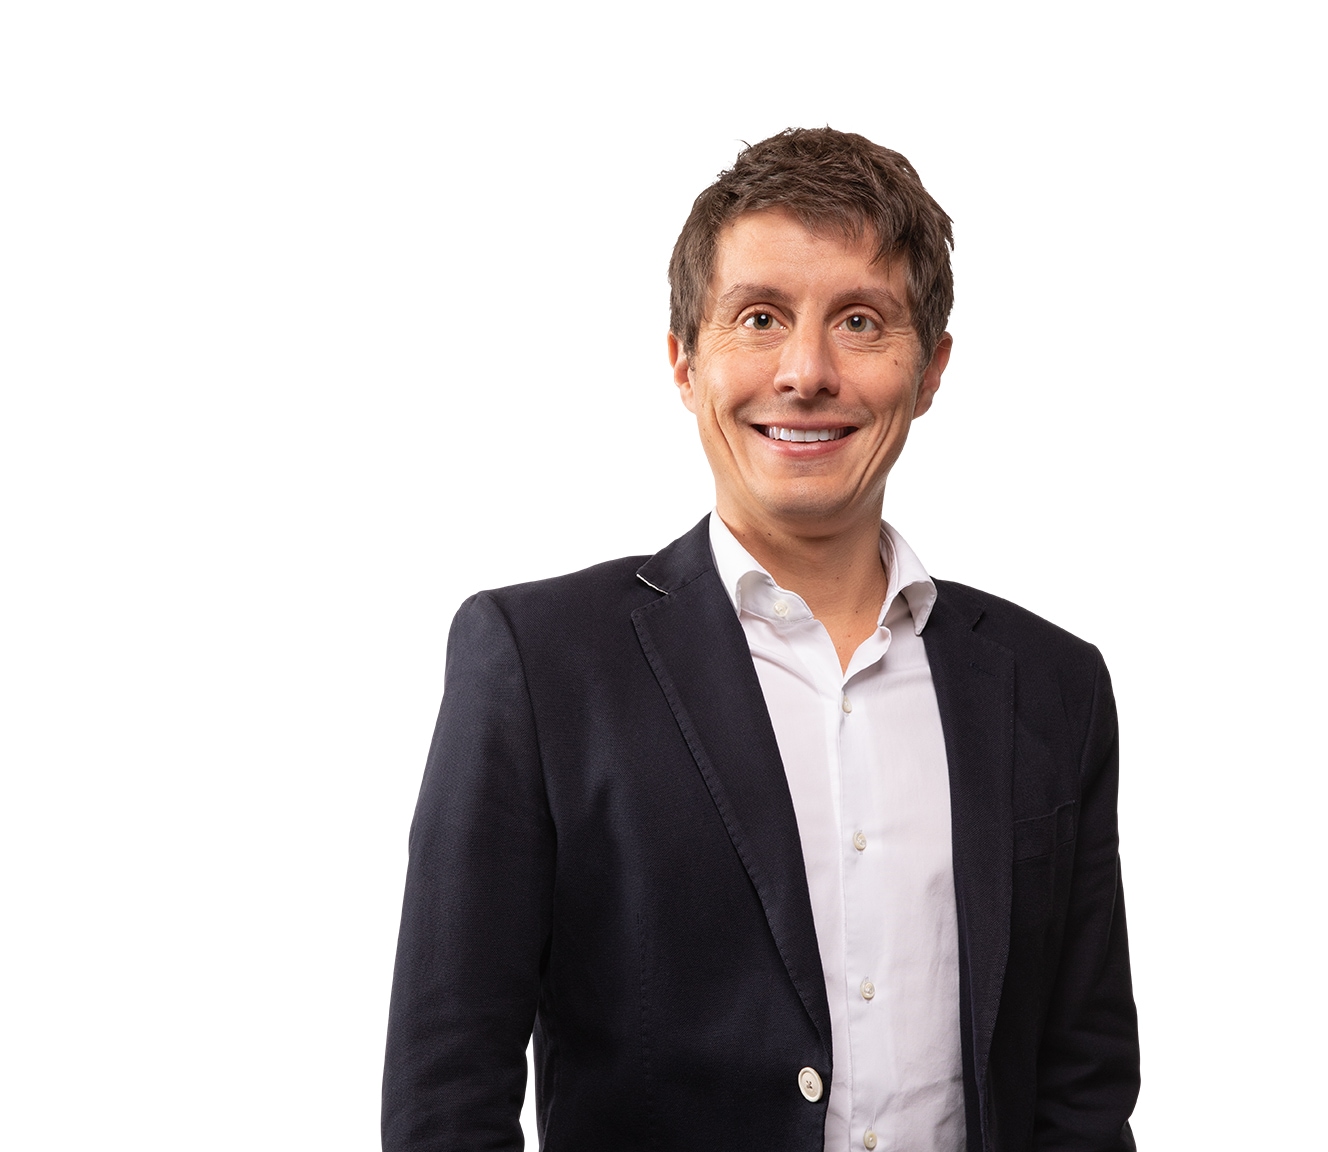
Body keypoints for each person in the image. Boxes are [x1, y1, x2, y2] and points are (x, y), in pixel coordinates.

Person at [382, 127, 1139, 1152]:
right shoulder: (540, 665)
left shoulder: (1053, 686)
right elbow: (446, 1106)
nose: (806, 372)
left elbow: (1082, 1092)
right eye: (759, 318)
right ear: (684, 362)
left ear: (930, 370)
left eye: (861, 321)